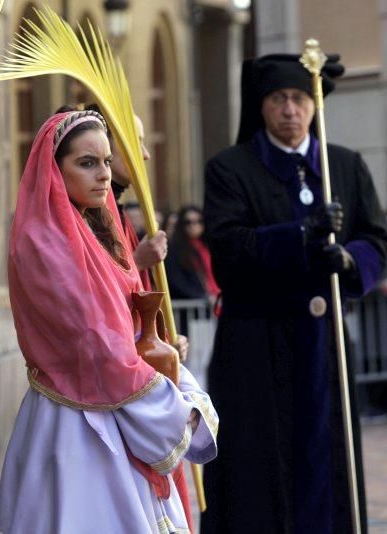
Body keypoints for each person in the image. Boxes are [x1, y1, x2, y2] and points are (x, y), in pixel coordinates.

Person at [0, 109, 217, 533]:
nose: (102, 174)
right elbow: (95, 341)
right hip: (76, 415)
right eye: (86, 163)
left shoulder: (94, 228)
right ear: (55, 170)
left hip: (115, 399)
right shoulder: (43, 241)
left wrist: (161, 349)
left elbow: (123, 323)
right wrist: (173, 405)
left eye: (107, 162)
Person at [202, 54, 387, 533]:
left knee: (325, 464)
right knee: (258, 469)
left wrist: (350, 263)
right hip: (255, 346)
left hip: (323, 345)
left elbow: (376, 238)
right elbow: (228, 248)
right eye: (279, 99)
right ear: (261, 107)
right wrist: (300, 233)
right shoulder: (230, 168)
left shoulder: (343, 164)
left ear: (315, 104)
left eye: (301, 99)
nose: (290, 110)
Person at [164, 205, 219, 302]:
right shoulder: (174, 249)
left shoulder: (208, 246)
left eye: (199, 221)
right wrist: (202, 297)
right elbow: (176, 281)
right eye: (188, 222)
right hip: (193, 306)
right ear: (181, 224)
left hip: (214, 302)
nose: (194, 225)